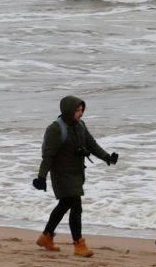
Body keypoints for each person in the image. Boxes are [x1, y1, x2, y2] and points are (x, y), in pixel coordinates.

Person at [33, 95, 118, 257]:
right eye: (77, 110)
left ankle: (46, 237)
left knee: (64, 205)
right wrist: (42, 177)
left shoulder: (80, 125)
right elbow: (48, 156)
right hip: (62, 175)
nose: (80, 113)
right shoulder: (55, 129)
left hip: (77, 173)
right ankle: (79, 244)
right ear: (68, 110)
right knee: (76, 206)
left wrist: (107, 157)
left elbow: (91, 144)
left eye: (82, 110)